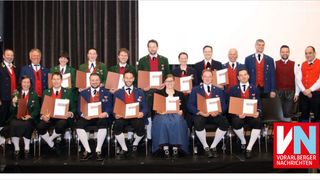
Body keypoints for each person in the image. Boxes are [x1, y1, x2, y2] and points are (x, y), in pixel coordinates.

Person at [188, 69, 229, 158]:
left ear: (212, 78)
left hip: (214, 114)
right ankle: (206, 146)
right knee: (198, 122)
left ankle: (213, 146)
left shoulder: (218, 90)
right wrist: (199, 112)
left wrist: (218, 112)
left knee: (225, 122)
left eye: (209, 76)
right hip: (202, 114)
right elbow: (190, 105)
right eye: (205, 76)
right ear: (202, 78)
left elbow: (224, 105)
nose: (207, 78)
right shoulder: (195, 89)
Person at [137, 39, 170, 140]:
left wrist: (165, 83)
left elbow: (168, 74)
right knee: (149, 110)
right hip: (148, 91)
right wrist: (144, 86)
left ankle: (161, 134)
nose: (152, 48)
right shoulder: (142, 60)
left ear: (157, 47)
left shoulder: (164, 59)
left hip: (161, 90)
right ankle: (150, 134)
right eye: (150, 47)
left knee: (161, 111)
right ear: (148, 48)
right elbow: (140, 77)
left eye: (154, 46)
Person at [76, 73, 113, 161]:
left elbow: (110, 107)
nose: (95, 82)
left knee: (103, 123)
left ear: (100, 81)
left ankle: (98, 150)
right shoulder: (83, 93)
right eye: (92, 80)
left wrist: (105, 113)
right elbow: (79, 108)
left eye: (97, 80)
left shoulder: (106, 93)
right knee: (79, 125)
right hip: (87, 117)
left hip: (101, 117)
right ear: (90, 81)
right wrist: (83, 115)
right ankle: (87, 150)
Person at [37, 72, 76, 154]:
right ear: (51, 80)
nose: (56, 81)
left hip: (62, 118)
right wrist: (43, 116)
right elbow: (42, 108)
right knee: (40, 126)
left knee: (60, 125)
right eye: (54, 79)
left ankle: (49, 140)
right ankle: (51, 144)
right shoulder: (46, 92)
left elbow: (74, 108)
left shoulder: (68, 92)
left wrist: (70, 113)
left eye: (58, 79)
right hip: (49, 117)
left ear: (61, 80)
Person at [152, 74, 189, 159]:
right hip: (162, 114)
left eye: (171, 81)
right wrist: (159, 111)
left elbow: (185, 108)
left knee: (178, 121)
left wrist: (181, 111)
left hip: (176, 115)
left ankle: (175, 148)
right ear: (164, 82)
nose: (169, 83)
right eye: (167, 81)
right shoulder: (159, 93)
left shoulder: (180, 94)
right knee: (163, 121)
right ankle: (165, 148)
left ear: (174, 82)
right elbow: (154, 109)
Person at [228, 67, 262, 159]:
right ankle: (243, 141)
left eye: (245, 75)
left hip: (251, 115)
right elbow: (230, 105)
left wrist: (258, 112)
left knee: (258, 122)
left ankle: (249, 148)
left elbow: (259, 103)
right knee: (236, 122)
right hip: (239, 114)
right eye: (241, 75)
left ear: (248, 76)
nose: (243, 77)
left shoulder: (254, 88)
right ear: (238, 77)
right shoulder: (233, 89)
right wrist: (237, 114)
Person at [113, 70, 147, 159]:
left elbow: (145, 107)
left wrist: (142, 113)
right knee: (117, 125)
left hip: (135, 117)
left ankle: (135, 144)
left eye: (130, 78)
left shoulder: (140, 92)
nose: (128, 80)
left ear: (133, 79)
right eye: (126, 78)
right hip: (122, 117)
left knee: (141, 126)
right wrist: (116, 114)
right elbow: (114, 108)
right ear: (123, 79)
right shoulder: (117, 93)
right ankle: (124, 148)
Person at [9, 76, 40, 159]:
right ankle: (16, 147)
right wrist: (13, 103)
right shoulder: (16, 93)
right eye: (24, 82)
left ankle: (27, 147)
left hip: (28, 118)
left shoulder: (34, 94)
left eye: (28, 82)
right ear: (21, 83)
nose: (26, 84)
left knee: (28, 124)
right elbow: (11, 110)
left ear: (30, 84)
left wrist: (30, 116)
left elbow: (37, 109)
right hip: (17, 117)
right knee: (13, 124)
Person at [172, 52, 197, 129]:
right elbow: (172, 85)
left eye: (185, 58)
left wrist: (191, 90)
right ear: (179, 60)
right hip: (179, 97)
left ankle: (188, 132)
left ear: (187, 59)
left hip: (190, 96)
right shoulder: (174, 71)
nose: (183, 60)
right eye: (181, 58)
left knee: (189, 116)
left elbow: (196, 84)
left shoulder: (193, 70)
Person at [295, 46, 320, 122]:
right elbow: (298, 79)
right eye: (306, 53)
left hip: (317, 94)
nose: (308, 55)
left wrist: (310, 90)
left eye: (310, 53)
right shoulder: (303, 64)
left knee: (317, 114)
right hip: (304, 93)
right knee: (304, 115)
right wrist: (299, 92)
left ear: (314, 53)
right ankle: (303, 132)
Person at [275, 45, 299, 121]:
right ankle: (278, 132)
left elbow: (297, 80)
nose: (285, 53)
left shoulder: (294, 64)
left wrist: (297, 93)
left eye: (286, 52)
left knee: (288, 114)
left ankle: (287, 131)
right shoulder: (275, 63)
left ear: (289, 53)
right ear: (280, 53)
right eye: (283, 52)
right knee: (278, 113)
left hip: (290, 92)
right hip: (278, 92)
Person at [0, 49, 19, 146]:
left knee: (10, 118)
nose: (10, 57)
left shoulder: (14, 68)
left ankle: (8, 137)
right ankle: (1, 139)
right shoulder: (1, 67)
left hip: (13, 99)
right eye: (8, 55)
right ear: (3, 56)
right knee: (2, 118)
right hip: (3, 98)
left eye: (11, 55)